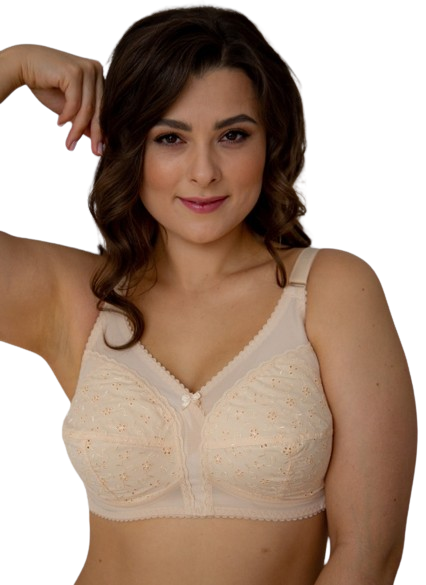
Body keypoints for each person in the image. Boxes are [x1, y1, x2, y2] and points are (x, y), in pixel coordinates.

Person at [0, 3, 417, 584]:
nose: (203, 172)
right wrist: (12, 65)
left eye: (233, 135)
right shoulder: (77, 298)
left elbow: (369, 553)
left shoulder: (331, 290)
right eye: (170, 137)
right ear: (130, 148)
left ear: (271, 142)